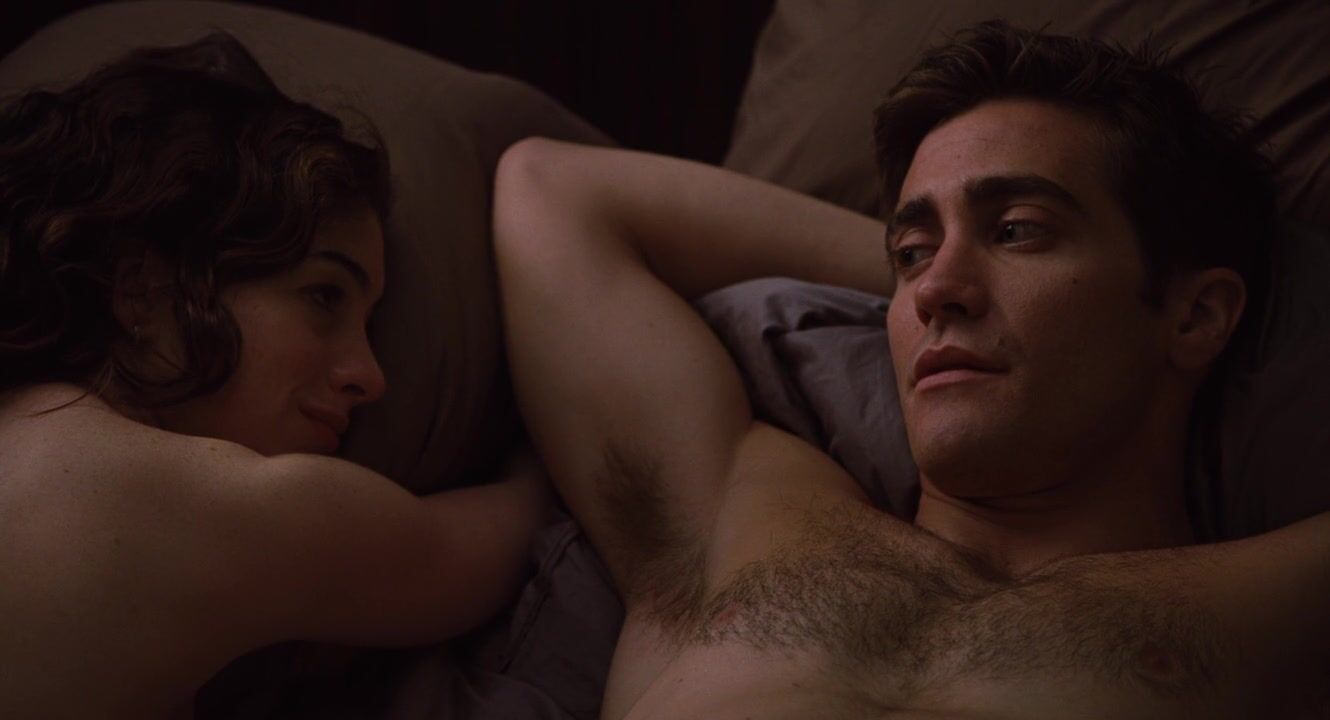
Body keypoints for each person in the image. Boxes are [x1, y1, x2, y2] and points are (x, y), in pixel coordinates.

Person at [494, 20, 1329, 719]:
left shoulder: (1277, 611)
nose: (933, 291)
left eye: (1019, 229)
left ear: (1195, 316)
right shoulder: (736, 514)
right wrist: (918, 270)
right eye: (912, 252)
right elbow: (551, 190)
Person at [0, 33, 548, 718]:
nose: (372, 377)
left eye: (371, 325)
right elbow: (497, 537)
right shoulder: (205, 510)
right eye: (323, 296)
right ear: (142, 289)